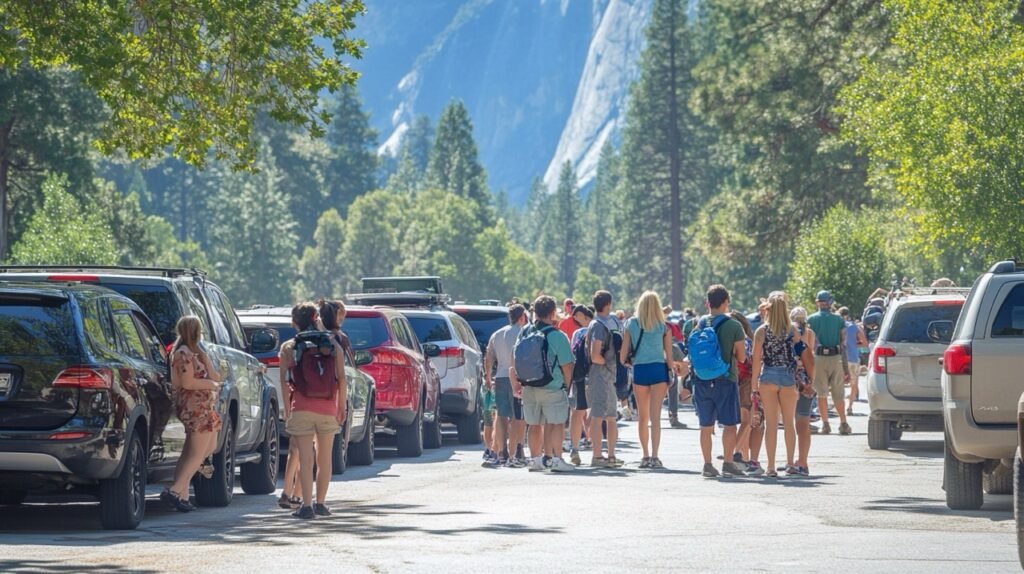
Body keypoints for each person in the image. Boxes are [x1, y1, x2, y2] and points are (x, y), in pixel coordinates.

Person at [280, 303, 347, 519]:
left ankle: (306, 505)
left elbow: (284, 381)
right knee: (325, 458)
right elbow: (341, 378)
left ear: (294, 322)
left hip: (301, 407)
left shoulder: (289, 347)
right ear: (315, 318)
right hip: (328, 407)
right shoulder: (332, 345)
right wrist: (341, 406)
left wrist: (287, 409)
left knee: (305, 458)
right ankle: (321, 503)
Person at [161, 316, 223, 512]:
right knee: (196, 454)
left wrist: (205, 360)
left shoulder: (196, 353)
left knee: (205, 448)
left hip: (205, 407)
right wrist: (211, 385)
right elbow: (187, 383)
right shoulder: (182, 354)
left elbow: (216, 376)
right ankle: (176, 491)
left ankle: (182, 494)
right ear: (195, 331)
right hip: (194, 408)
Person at [511, 296, 575, 473]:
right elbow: (567, 366)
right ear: (553, 312)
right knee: (556, 424)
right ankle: (556, 460)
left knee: (534, 425)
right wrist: (566, 387)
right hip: (552, 386)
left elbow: (514, 359)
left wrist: (517, 383)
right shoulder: (557, 336)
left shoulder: (524, 332)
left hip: (529, 386)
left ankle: (536, 460)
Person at [690, 285, 747, 478]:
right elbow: (741, 357)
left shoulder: (698, 324)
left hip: (702, 379)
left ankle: (707, 464)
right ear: (725, 302)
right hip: (725, 378)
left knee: (705, 426)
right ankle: (728, 463)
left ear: (708, 303)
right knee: (729, 424)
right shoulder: (733, 326)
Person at [750, 294, 803, 477]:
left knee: (771, 424)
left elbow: (756, 360)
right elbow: (800, 355)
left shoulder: (762, 331)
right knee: (789, 423)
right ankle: (790, 463)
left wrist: (753, 386)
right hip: (788, 378)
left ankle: (771, 467)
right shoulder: (793, 331)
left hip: (769, 377)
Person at [620, 291, 674, 469]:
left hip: (640, 370)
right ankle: (655, 456)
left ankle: (644, 456)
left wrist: (630, 362)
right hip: (659, 370)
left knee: (643, 417)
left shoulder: (631, 324)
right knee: (656, 417)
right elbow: (669, 358)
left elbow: (622, 357)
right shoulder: (664, 327)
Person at [485, 304, 528, 468]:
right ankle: (517, 449)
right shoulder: (523, 332)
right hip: (517, 377)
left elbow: (488, 357)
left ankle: (501, 450)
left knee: (502, 416)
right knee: (519, 417)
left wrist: (488, 377)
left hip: (500, 377)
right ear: (522, 316)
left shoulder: (497, 334)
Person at [586, 290, 625, 467]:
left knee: (611, 416)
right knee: (597, 416)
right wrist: (609, 364)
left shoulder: (609, 322)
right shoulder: (598, 325)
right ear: (608, 303)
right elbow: (595, 355)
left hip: (609, 376)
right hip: (600, 375)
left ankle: (611, 455)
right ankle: (597, 456)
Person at [807, 291, 851, 435]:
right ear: (830, 302)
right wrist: (846, 368)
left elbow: (809, 343)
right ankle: (843, 423)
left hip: (818, 358)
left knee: (821, 393)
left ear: (817, 302)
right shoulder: (839, 320)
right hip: (836, 357)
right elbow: (843, 344)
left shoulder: (811, 319)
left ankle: (825, 424)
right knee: (838, 393)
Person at [731, 311, 764, 475]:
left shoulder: (729, 340)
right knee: (747, 422)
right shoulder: (748, 341)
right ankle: (733, 455)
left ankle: (740, 457)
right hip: (746, 382)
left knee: (738, 423)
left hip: (731, 381)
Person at [791, 306, 817, 475]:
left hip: (789, 378)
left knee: (789, 423)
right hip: (805, 379)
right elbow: (810, 355)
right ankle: (803, 462)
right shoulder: (810, 333)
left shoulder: (789, 331)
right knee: (804, 422)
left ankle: (791, 460)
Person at [567, 305, 595, 465]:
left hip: (579, 378)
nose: (576, 319)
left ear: (585, 316)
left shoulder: (577, 334)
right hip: (596, 376)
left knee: (577, 413)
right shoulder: (600, 329)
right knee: (597, 414)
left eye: (577, 316)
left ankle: (574, 449)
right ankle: (596, 451)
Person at [839, 307, 867, 416]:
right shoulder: (854, 327)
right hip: (853, 358)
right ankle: (849, 407)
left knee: (839, 384)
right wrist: (855, 345)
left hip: (840, 358)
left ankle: (840, 406)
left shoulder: (838, 326)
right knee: (853, 383)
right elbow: (864, 343)